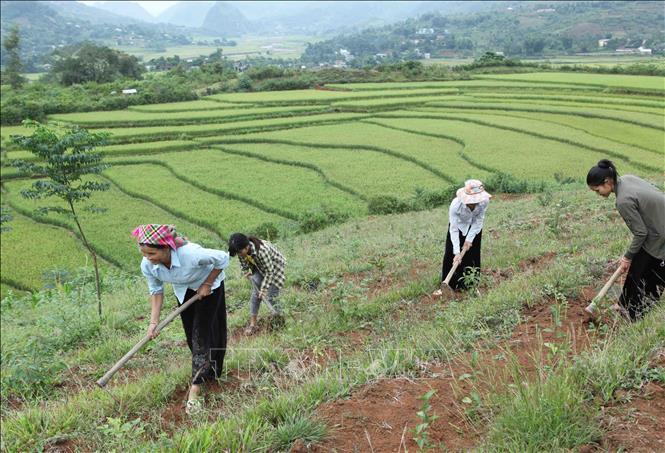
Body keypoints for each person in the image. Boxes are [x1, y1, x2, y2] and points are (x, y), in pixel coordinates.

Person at [133, 224, 229, 415]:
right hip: (184, 292)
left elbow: (223, 258)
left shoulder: (191, 254)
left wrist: (208, 283)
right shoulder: (148, 265)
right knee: (190, 336)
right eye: (144, 254)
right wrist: (153, 323)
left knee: (202, 335)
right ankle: (207, 371)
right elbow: (156, 291)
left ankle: (195, 390)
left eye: (152, 254)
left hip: (209, 288)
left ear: (167, 248)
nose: (148, 259)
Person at [586, 159, 665, 320]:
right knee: (637, 268)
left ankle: (636, 316)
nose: (598, 194)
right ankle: (623, 305)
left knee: (653, 276)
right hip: (656, 228)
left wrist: (627, 256)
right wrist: (629, 257)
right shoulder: (626, 179)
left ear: (607, 181)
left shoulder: (623, 201)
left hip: (659, 234)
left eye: (597, 190)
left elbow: (641, 233)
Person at [433, 179, 491, 296]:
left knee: (472, 255)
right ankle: (448, 285)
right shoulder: (456, 205)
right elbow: (453, 229)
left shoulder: (484, 202)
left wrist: (469, 240)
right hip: (458, 227)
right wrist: (457, 252)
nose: (474, 203)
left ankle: (471, 285)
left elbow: (478, 221)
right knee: (450, 255)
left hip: (474, 228)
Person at [228, 233, 286, 335]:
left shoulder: (262, 251)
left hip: (275, 268)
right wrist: (246, 270)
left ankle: (279, 320)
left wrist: (263, 289)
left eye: (239, 252)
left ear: (247, 247)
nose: (239, 254)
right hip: (259, 266)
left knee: (271, 296)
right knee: (256, 295)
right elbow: (243, 263)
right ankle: (253, 324)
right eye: (237, 253)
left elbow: (269, 272)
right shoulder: (241, 252)